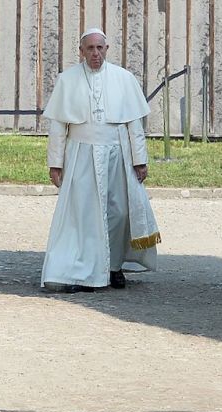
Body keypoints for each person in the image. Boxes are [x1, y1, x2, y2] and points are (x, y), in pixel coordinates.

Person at [41, 28, 161, 293]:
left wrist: (140, 160)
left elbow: (134, 125)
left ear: (107, 49)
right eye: (90, 49)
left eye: (99, 48)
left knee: (118, 212)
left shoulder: (124, 78)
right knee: (82, 215)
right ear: (81, 51)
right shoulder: (67, 80)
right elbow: (59, 127)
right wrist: (55, 164)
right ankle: (79, 270)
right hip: (81, 155)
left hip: (117, 154)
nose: (95, 53)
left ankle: (113, 267)